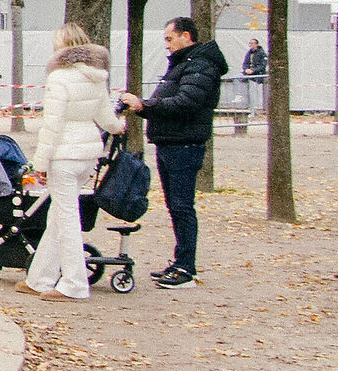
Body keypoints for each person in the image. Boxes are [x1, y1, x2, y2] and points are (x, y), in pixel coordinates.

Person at [122, 17, 227, 287]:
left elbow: (185, 102)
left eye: (170, 38)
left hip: (184, 144)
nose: (166, 44)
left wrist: (145, 106)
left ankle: (186, 268)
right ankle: (180, 262)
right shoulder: (185, 65)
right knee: (176, 207)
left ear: (186, 36)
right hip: (171, 142)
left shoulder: (201, 66)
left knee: (182, 206)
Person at [24, 22, 125, 301]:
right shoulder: (97, 77)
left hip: (64, 154)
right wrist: (118, 127)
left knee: (66, 219)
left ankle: (74, 284)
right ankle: (40, 277)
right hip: (88, 152)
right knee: (59, 215)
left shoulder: (59, 79)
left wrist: (40, 163)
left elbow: (52, 125)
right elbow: (105, 115)